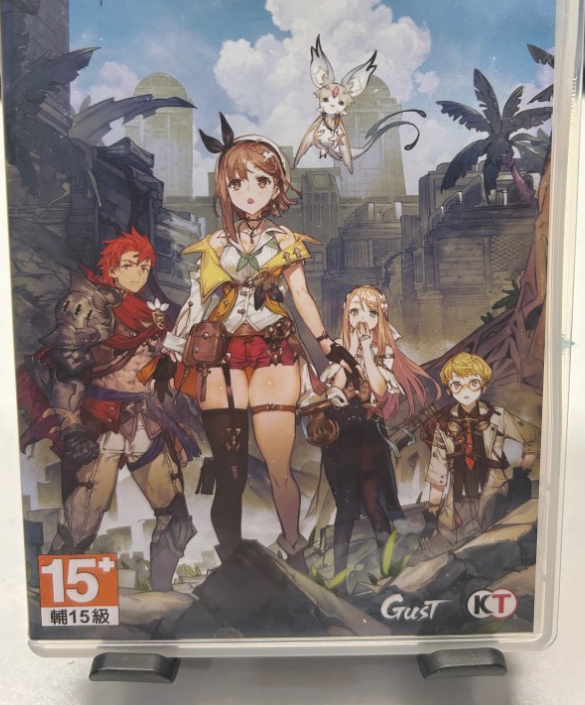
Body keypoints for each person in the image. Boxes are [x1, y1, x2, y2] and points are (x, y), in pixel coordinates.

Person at [164, 115, 350, 571]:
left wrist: (328, 345)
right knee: (230, 471)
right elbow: (197, 301)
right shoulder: (212, 245)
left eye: (262, 181)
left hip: (274, 354)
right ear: (224, 187)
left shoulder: (286, 242)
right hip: (221, 360)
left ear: (277, 186)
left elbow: (301, 296)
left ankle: (293, 547)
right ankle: (232, 562)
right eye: (238, 182)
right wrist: (173, 348)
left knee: (279, 467)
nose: (250, 191)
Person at [26, 229, 199, 592]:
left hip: (144, 418)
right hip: (99, 418)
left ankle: (162, 593)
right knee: (82, 519)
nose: (139, 273)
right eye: (131, 265)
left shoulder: (150, 312)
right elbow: (66, 373)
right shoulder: (86, 304)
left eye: (145, 266)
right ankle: (57, 594)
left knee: (175, 516)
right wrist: (71, 425)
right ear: (113, 268)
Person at [312, 285, 437, 575]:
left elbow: (380, 390)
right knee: (346, 507)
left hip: (368, 431)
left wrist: (366, 350)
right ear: (346, 314)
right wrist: (349, 351)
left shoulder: (384, 352)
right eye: (355, 311)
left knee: (373, 502)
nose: (362, 319)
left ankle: (388, 567)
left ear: (380, 317)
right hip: (339, 434)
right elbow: (337, 387)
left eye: (371, 313)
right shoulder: (338, 350)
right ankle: (339, 574)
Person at [420, 352, 540, 554]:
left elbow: (534, 438)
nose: (465, 390)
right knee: (457, 553)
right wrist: (431, 517)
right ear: (449, 389)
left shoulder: (497, 417)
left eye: (473, 383)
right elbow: (438, 475)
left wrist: (522, 472)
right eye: (457, 384)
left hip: (494, 497)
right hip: (458, 504)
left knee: (497, 549)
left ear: (483, 386)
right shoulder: (444, 425)